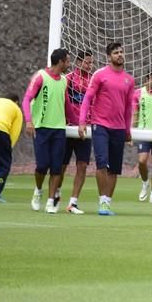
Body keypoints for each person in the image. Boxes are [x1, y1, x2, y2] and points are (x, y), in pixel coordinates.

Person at [79, 42, 135, 216]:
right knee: (102, 163)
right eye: (116, 52)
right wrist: (82, 122)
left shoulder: (129, 79)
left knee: (114, 169)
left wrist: (127, 130)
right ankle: (102, 201)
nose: (120, 55)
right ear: (109, 56)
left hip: (119, 128)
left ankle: (107, 203)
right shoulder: (100, 75)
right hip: (100, 124)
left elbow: (128, 107)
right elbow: (87, 99)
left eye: (121, 51)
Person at [23, 48, 70, 214]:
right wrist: (29, 121)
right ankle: (38, 190)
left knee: (57, 168)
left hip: (59, 129)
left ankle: (50, 201)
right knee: (42, 165)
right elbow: (27, 99)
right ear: (60, 62)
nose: (68, 64)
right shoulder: (40, 76)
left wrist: (80, 121)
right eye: (67, 61)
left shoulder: (64, 80)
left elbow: (66, 104)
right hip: (42, 128)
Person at [57, 50, 94, 215]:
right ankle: (55, 194)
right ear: (79, 63)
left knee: (82, 165)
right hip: (68, 128)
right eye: (86, 62)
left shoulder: (93, 81)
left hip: (85, 128)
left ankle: (73, 202)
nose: (89, 65)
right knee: (62, 165)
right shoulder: (68, 79)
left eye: (91, 62)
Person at [132, 71, 152, 205]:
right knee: (142, 161)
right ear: (147, 80)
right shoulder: (138, 93)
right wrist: (132, 132)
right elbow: (135, 114)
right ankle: (145, 183)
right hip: (143, 133)